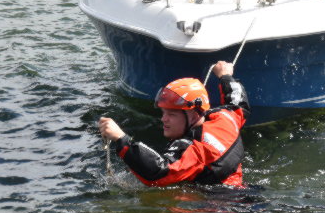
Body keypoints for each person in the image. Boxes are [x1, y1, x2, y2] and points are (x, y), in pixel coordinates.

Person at [98, 61, 250, 187]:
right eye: (163, 113)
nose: (164, 119)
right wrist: (225, 76)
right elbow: (238, 102)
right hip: (242, 196)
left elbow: (159, 172)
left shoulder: (195, 149)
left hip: (221, 211)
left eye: (171, 114)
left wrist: (121, 139)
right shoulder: (225, 118)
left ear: (194, 114)